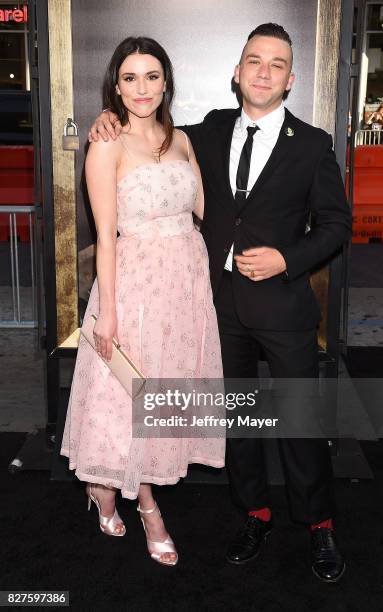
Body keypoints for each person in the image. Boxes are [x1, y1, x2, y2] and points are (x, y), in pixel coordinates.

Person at [90, 23, 352, 582]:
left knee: (298, 418)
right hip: (215, 307)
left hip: (282, 306)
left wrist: (290, 258)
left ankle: (319, 525)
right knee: (239, 421)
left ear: (290, 78)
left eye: (276, 64)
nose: (263, 71)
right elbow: (148, 135)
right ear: (236, 73)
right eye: (253, 61)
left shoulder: (312, 144)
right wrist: (105, 117)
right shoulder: (204, 131)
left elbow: (336, 225)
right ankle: (254, 513)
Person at [61, 36, 225, 566]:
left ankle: (112, 490)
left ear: (166, 82)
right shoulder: (106, 143)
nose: (141, 89)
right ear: (115, 84)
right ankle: (148, 507)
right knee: (131, 400)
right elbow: (104, 236)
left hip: (184, 291)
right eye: (129, 78)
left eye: (151, 76)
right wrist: (107, 312)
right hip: (133, 291)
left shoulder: (181, 139)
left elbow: (203, 208)